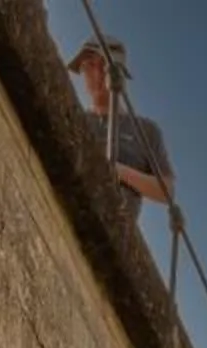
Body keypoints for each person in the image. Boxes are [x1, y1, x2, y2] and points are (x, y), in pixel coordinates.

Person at [66, 40, 175, 217]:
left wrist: (118, 171)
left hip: (114, 231)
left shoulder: (146, 130)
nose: (93, 74)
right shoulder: (76, 118)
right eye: (87, 67)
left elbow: (166, 191)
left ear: (118, 73)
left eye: (100, 65)